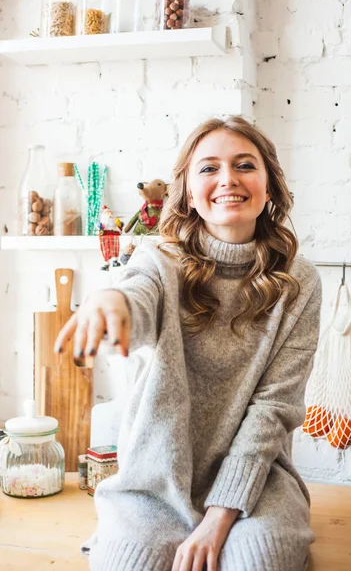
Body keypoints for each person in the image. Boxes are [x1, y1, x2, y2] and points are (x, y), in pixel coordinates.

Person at [55, 116, 322, 571]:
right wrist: (111, 298)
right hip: (155, 481)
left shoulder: (299, 282)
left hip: (258, 479)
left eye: (244, 165)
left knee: (262, 560)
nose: (228, 180)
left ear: (269, 187)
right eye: (208, 169)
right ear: (190, 195)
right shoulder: (158, 261)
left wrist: (219, 519)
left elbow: (274, 408)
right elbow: (136, 296)